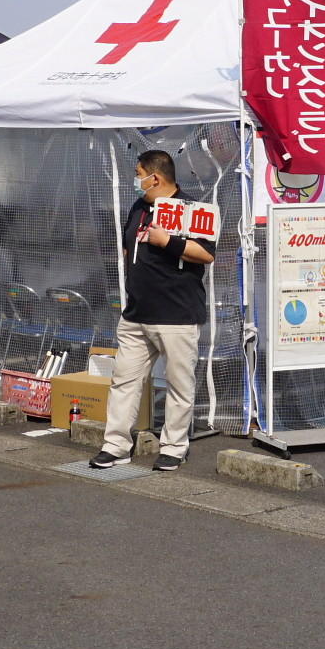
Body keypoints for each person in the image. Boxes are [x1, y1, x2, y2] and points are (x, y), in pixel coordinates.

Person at [91, 149, 215, 473]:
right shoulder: (139, 206)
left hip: (177, 316)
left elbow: (205, 253)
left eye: (139, 173)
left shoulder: (191, 209)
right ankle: (115, 445)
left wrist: (168, 241)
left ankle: (174, 448)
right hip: (136, 314)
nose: (136, 180)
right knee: (124, 381)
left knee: (179, 385)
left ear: (155, 177)